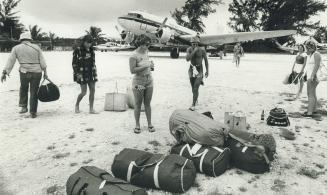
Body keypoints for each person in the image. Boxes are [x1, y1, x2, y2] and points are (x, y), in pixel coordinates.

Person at [1, 32, 48, 118]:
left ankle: (23, 107)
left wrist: (5, 72)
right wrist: (45, 73)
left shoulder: (16, 48)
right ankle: (33, 112)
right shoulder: (37, 47)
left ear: (21, 39)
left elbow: (11, 61)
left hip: (24, 72)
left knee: (23, 88)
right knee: (34, 92)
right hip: (37, 72)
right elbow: (43, 62)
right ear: (30, 39)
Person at [129, 35, 155, 134]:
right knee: (138, 104)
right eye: (147, 44)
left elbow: (148, 65)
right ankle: (137, 125)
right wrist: (146, 66)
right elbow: (132, 70)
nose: (148, 46)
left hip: (149, 79)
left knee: (148, 103)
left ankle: (149, 124)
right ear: (141, 44)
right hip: (138, 81)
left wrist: (151, 66)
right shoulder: (133, 55)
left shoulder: (146, 52)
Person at [72, 35, 98, 114]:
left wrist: (94, 71)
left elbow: (93, 62)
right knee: (84, 92)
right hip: (81, 73)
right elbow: (74, 63)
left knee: (92, 90)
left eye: (90, 43)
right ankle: (77, 105)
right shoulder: (78, 50)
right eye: (87, 43)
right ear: (83, 42)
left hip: (91, 72)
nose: (89, 45)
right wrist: (77, 73)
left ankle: (91, 109)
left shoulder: (91, 51)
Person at [186, 36, 209, 111]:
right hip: (191, 69)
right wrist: (194, 51)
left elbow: (205, 61)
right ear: (191, 44)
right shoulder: (189, 49)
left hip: (199, 69)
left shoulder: (202, 50)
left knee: (196, 87)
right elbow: (187, 59)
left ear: (198, 43)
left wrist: (207, 70)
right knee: (193, 88)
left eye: (196, 44)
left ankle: (193, 104)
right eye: (193, 44)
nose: (195, 45)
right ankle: (196, 99)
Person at [302, 40, 321, 117]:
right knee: (312, 93)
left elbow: (317, 65)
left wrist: (312, 76)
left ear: (314, 47)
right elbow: (310, 67)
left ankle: (309, 112)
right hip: (310, 76)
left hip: (313, 77)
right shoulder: (311, 55)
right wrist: (306, 75)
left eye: (310, 48)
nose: (308, 49)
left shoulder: (316, 54)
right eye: (307, 48)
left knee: (310, 94)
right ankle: (314, 110)